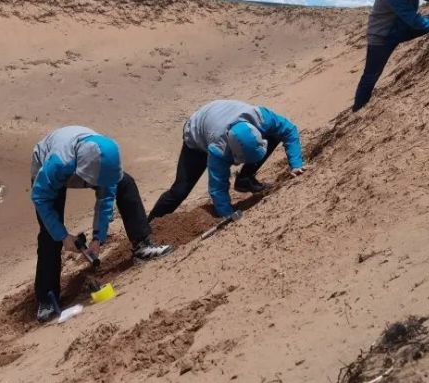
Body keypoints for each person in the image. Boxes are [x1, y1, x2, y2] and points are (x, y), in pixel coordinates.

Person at [30, 126, 172, 323]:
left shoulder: (107, 160)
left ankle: (142, 244)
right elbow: (40, 198)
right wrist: (63, 236)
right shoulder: (58, 163)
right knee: (49, 233)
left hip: (88, 164)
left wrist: (98, 237)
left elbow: (106, 198)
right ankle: (47, 298)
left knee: (126, 183)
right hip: (46, 165)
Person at [148, 100, 304, 222]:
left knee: (275, 134)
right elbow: (217, 188)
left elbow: (289, 130)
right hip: (196, 133)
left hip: (221, 114)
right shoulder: (219, 149)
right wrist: (228, 214)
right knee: (179, 190)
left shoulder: (261, 117)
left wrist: (296, 165)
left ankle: (245, 180)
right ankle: (149, 229)